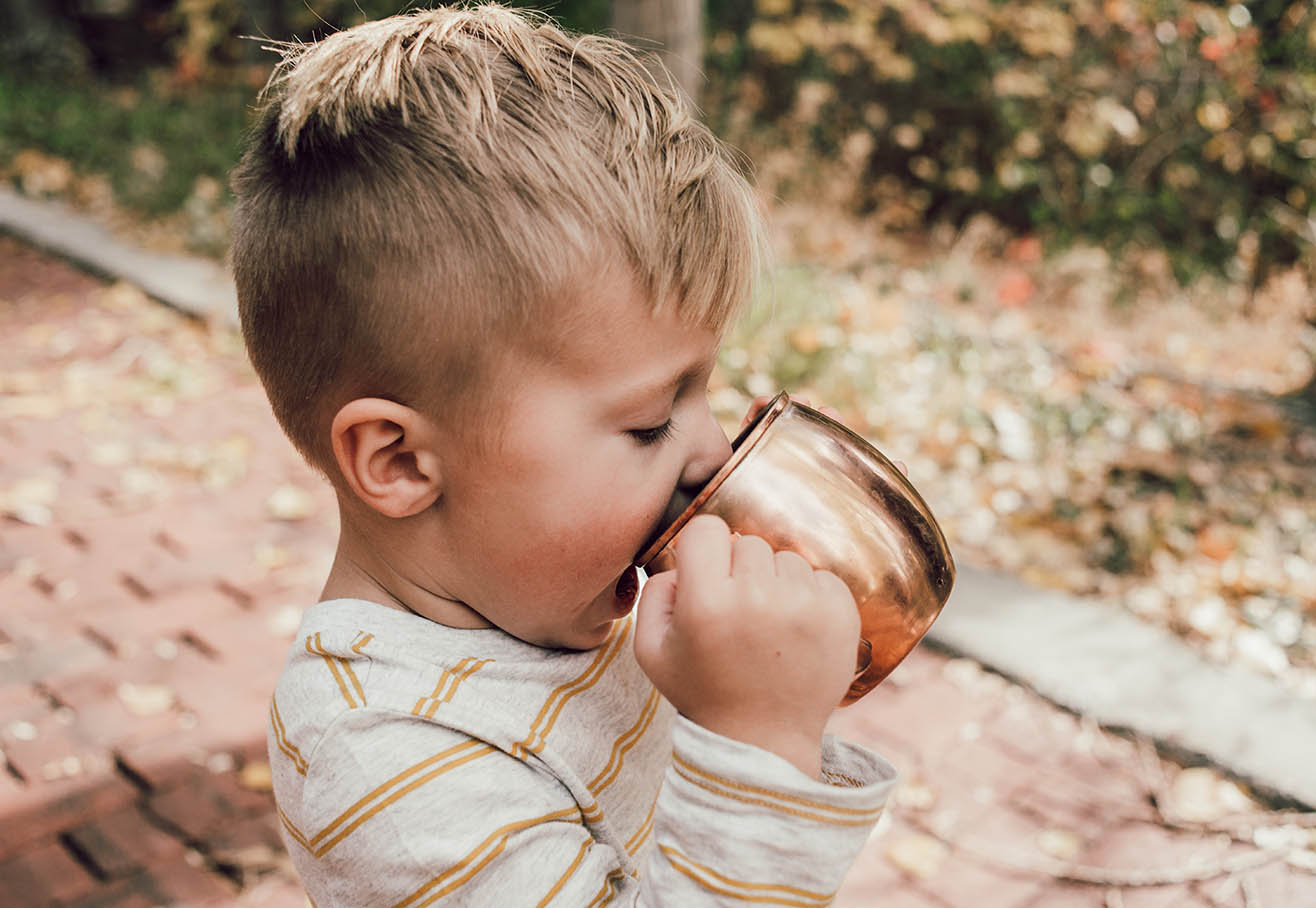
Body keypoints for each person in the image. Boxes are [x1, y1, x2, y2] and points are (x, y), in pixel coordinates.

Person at [232, 5, 895, 904]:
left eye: (704, 386)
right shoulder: (388, 764)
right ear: (399, 463)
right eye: (650, 421)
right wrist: (755, 742)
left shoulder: (527, 597)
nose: (707, 454)